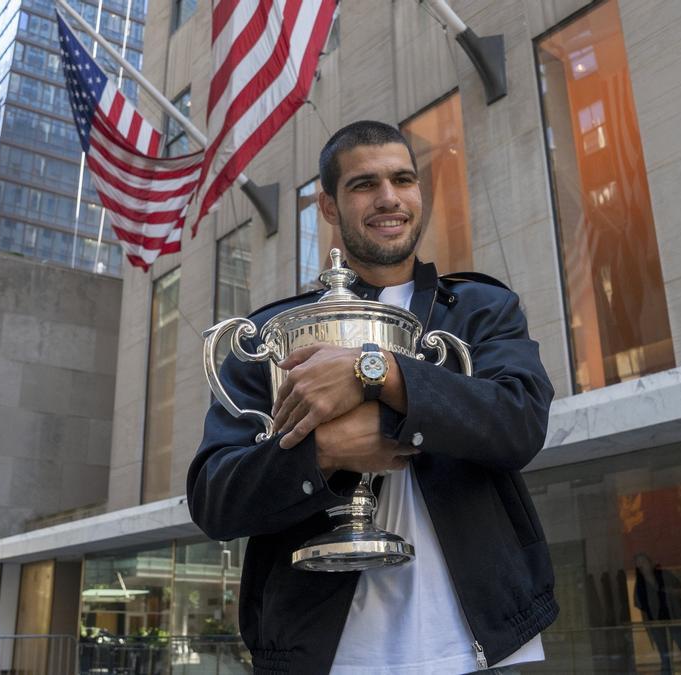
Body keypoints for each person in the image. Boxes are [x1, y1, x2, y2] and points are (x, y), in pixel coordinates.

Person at [189, 120, 558, 673]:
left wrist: (378, 371)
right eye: (364, 184)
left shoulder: (483, 309)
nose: (389, 198)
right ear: (330, 206)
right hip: (328, 655)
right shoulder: (274, 334)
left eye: (403, 179)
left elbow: (520, 422)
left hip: (488, 647)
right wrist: (323, 453)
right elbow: (214, 499)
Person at [633, 553, 681, 675]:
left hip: (675, 619)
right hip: (657, 624)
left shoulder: (664, 575)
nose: (641, 565)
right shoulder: (640, 584)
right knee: (665, 657)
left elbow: (680, 590)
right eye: (638, 563)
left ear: (649, 562)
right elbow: (639, 603)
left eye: (642, 561)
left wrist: (670, 592)